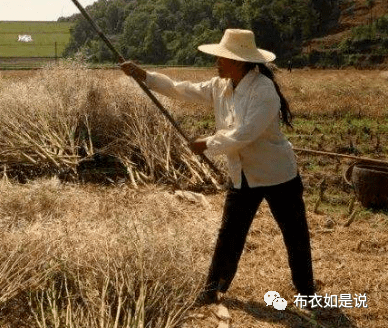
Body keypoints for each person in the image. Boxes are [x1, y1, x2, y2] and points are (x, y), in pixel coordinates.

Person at [120, 29, 315, 305]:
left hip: (277, 174)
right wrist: (145, 76)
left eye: (221, 58)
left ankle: (307, 292)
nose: (217, 63)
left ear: (237, 61)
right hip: (243, 174)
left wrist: (207, 143)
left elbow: (245, 133)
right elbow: (180, 89)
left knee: (294, 233)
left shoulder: (263, 90)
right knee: (230, 232)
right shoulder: (220, 87)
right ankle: (212, 288)